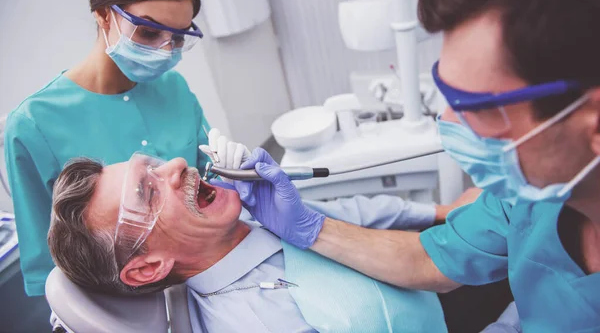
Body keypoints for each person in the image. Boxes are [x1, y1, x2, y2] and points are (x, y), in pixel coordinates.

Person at [218, 0, 600, 332]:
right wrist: (309, 227)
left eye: (481, 108)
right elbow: (431, 259)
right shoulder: (532, 197)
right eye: (447, 95)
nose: (448, 122)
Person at [47, 152, 474, 333]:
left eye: (154, 168)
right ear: (147, 268)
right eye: (149, 192)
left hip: (436, 272)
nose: (177, 165)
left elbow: (344, 212)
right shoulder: (258, 320)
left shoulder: (249, 215)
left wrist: (441, 211)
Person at [4, 0, 212, 297]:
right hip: (123, 302)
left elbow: (212, 180)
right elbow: (47, 272)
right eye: (148, 31)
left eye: (178, 38)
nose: (165, 50)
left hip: (208, 273)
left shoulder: (174, 88)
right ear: (102, 13)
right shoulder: (33, 125)